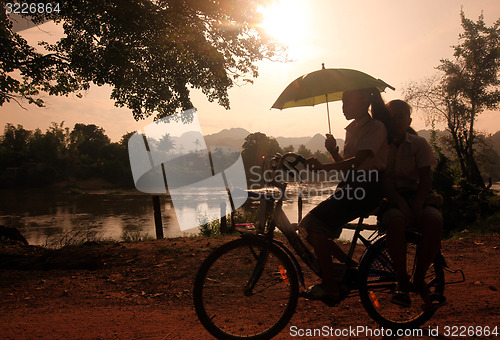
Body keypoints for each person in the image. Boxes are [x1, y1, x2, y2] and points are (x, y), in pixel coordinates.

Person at [298, 87, 390, 304]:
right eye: (342, 103)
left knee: (312, 224)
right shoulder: (352, 129)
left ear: (363, 102)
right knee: (310, 228)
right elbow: (348, 169)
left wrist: (322, 167)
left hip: (366, 189)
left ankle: (331, 286)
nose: (342, 107)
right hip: (352, 188)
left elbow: (359, 162)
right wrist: (333, 151)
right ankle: (351, 268)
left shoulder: (375, 127)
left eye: (347, 102)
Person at [381, 99, 446, 311]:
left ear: (408, 120)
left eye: (401, 116)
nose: (397, 120)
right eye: (392, 116)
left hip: (417, 194)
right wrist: (401, 204)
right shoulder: (381, 146)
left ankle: (419, 278)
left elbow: (425, 179)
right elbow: (384, 181)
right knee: (397, 221)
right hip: (390, 197)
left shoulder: (419, 144)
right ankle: (402, 279)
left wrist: (417, 203)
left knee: (434, 220)